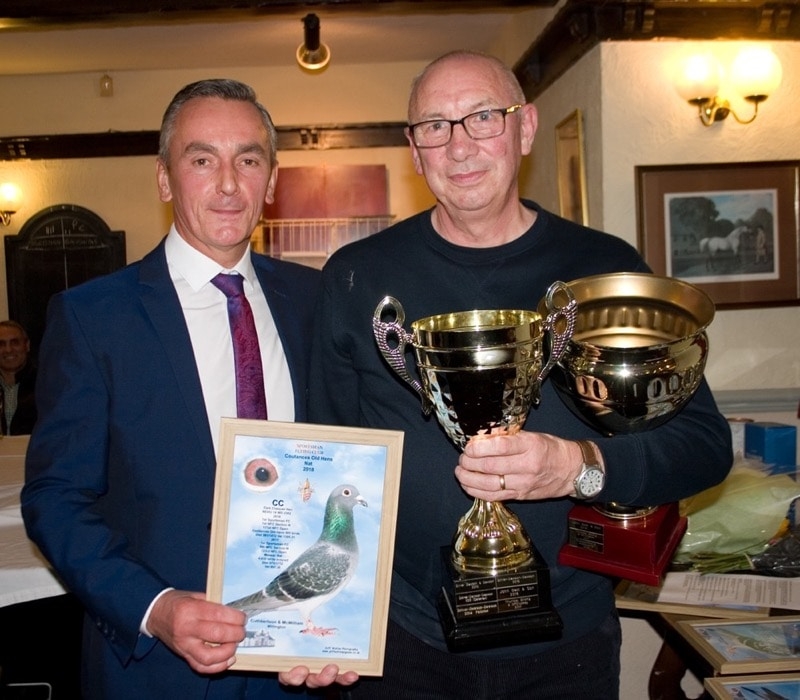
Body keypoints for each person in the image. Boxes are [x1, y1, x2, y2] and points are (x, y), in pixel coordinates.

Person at [308, 51, 733, 699]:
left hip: (567, 644)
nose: (458, 146)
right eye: (435, 126)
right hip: (404, 642)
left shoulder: (601, 268)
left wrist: (577, 466)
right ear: (414, 150)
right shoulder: (355, 276)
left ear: (525, 128)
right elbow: (322, 459)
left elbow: (702, 447)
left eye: (483, 117)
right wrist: (319, 620)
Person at [22, 79, 355, 699]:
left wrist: (345, 621)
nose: (228, 184)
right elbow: (54, 497)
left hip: (301, 666)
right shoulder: (93, 317)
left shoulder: (315, 303)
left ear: (272, 181)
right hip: (156, 673)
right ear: (165, 178)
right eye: (202, 160)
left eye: (249, 160)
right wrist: (154, 606)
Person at [0, 319, 37, 435]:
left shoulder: (45, 385)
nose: (8, 350)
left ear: (27, 345)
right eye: (1, 344)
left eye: (14, 342)